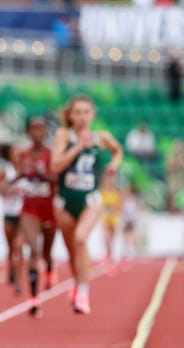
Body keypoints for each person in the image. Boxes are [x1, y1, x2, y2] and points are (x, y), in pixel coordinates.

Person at [50, 95, 123, 315]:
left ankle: (83, 292)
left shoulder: (101, 137)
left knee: (81, 240)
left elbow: (118, 150)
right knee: (73, 250)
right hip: (65, 201)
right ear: (70, 115)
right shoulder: (64, 136)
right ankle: (77, 282)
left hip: (90, 199)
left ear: (93, 115)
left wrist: (114, 164)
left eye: (86, 112)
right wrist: (77, 147)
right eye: (77, 112)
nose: (82, 117)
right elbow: (55, 166)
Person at [18, 117, 57, 317]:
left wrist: (40, 173)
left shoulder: (51, 155)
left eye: (41, 128)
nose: (37, 132)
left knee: (46, 253)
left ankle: (50, 270)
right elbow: (18, 175)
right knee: (33, 249)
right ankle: (34, 298)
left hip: (48, 207)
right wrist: (9, 183)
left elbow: (57, 178)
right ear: (29, 133)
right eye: (34, 128)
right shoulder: (23, 155)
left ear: (46, 133)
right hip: (29, 208)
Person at [0, 143, 24, 296]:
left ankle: (18, 281)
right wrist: (5, 187)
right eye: (16, 152)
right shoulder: (6, 172)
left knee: (19, 247)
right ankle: (11, 269)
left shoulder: (28, 171)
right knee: (11, 248)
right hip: (9, 214)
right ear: (10, 155)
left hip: (24, 215)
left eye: (21, 153)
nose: (19, 155)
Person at [99, 170, 122, 273]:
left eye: (111, 178)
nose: (109, 180)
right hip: (105, 217)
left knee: (112, 237)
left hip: (113, 217)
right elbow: (99, 204)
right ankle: (108, 253)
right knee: (106, 236)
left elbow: (119, 206)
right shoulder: (101, 191)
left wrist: (114, 210)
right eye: (107, 178)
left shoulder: (116, 191)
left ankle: (111, 253)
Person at [166, 139, 184, 212]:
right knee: (173, 196)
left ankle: (181, 211)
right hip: (173, 179)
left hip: (181, 179)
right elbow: (169, 168)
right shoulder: (170, 156)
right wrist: (178, 163)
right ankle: (172, 211)